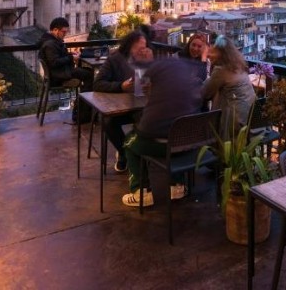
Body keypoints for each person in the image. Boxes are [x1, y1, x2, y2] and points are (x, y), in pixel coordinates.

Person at [121, 58, 204, 207]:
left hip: (165, 146)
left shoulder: (159, 102)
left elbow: (145, 131)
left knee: (129, 141)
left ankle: (141, 193)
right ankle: (177, 186)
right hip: (189, 145)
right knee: (175, 137)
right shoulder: (191, 91)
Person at [93, 30, 153, 172]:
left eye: (144, 48)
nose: (143, 51)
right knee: (107, 121)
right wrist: (121, 86)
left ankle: (142, 153)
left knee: (149, 119)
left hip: (142, 105)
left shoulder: (147, 59)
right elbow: (97, 84)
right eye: (140, 48)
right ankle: (124, 152)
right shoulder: (114, 60)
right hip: (120, 107)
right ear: (130, 46)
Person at [38, 17, 93, 123]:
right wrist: (71, 58)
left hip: (60, 72)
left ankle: (83, 110)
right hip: (59, 75)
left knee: (88, 72)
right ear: (55, 30)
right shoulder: (50, 44)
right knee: (89, 75)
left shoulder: (51, 41)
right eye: (63, 32)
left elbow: (59, 57)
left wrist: (71, 54)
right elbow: (54, 62)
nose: (65, 34)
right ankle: (82, 112)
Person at [201, 35, 256, 139]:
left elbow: (205, 92)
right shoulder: (238, 65)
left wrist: (203, 62)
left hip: (233, 124)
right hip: (250, 118)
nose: (209, 55)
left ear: (222, 54)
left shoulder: (221, 70)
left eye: (212, 52)